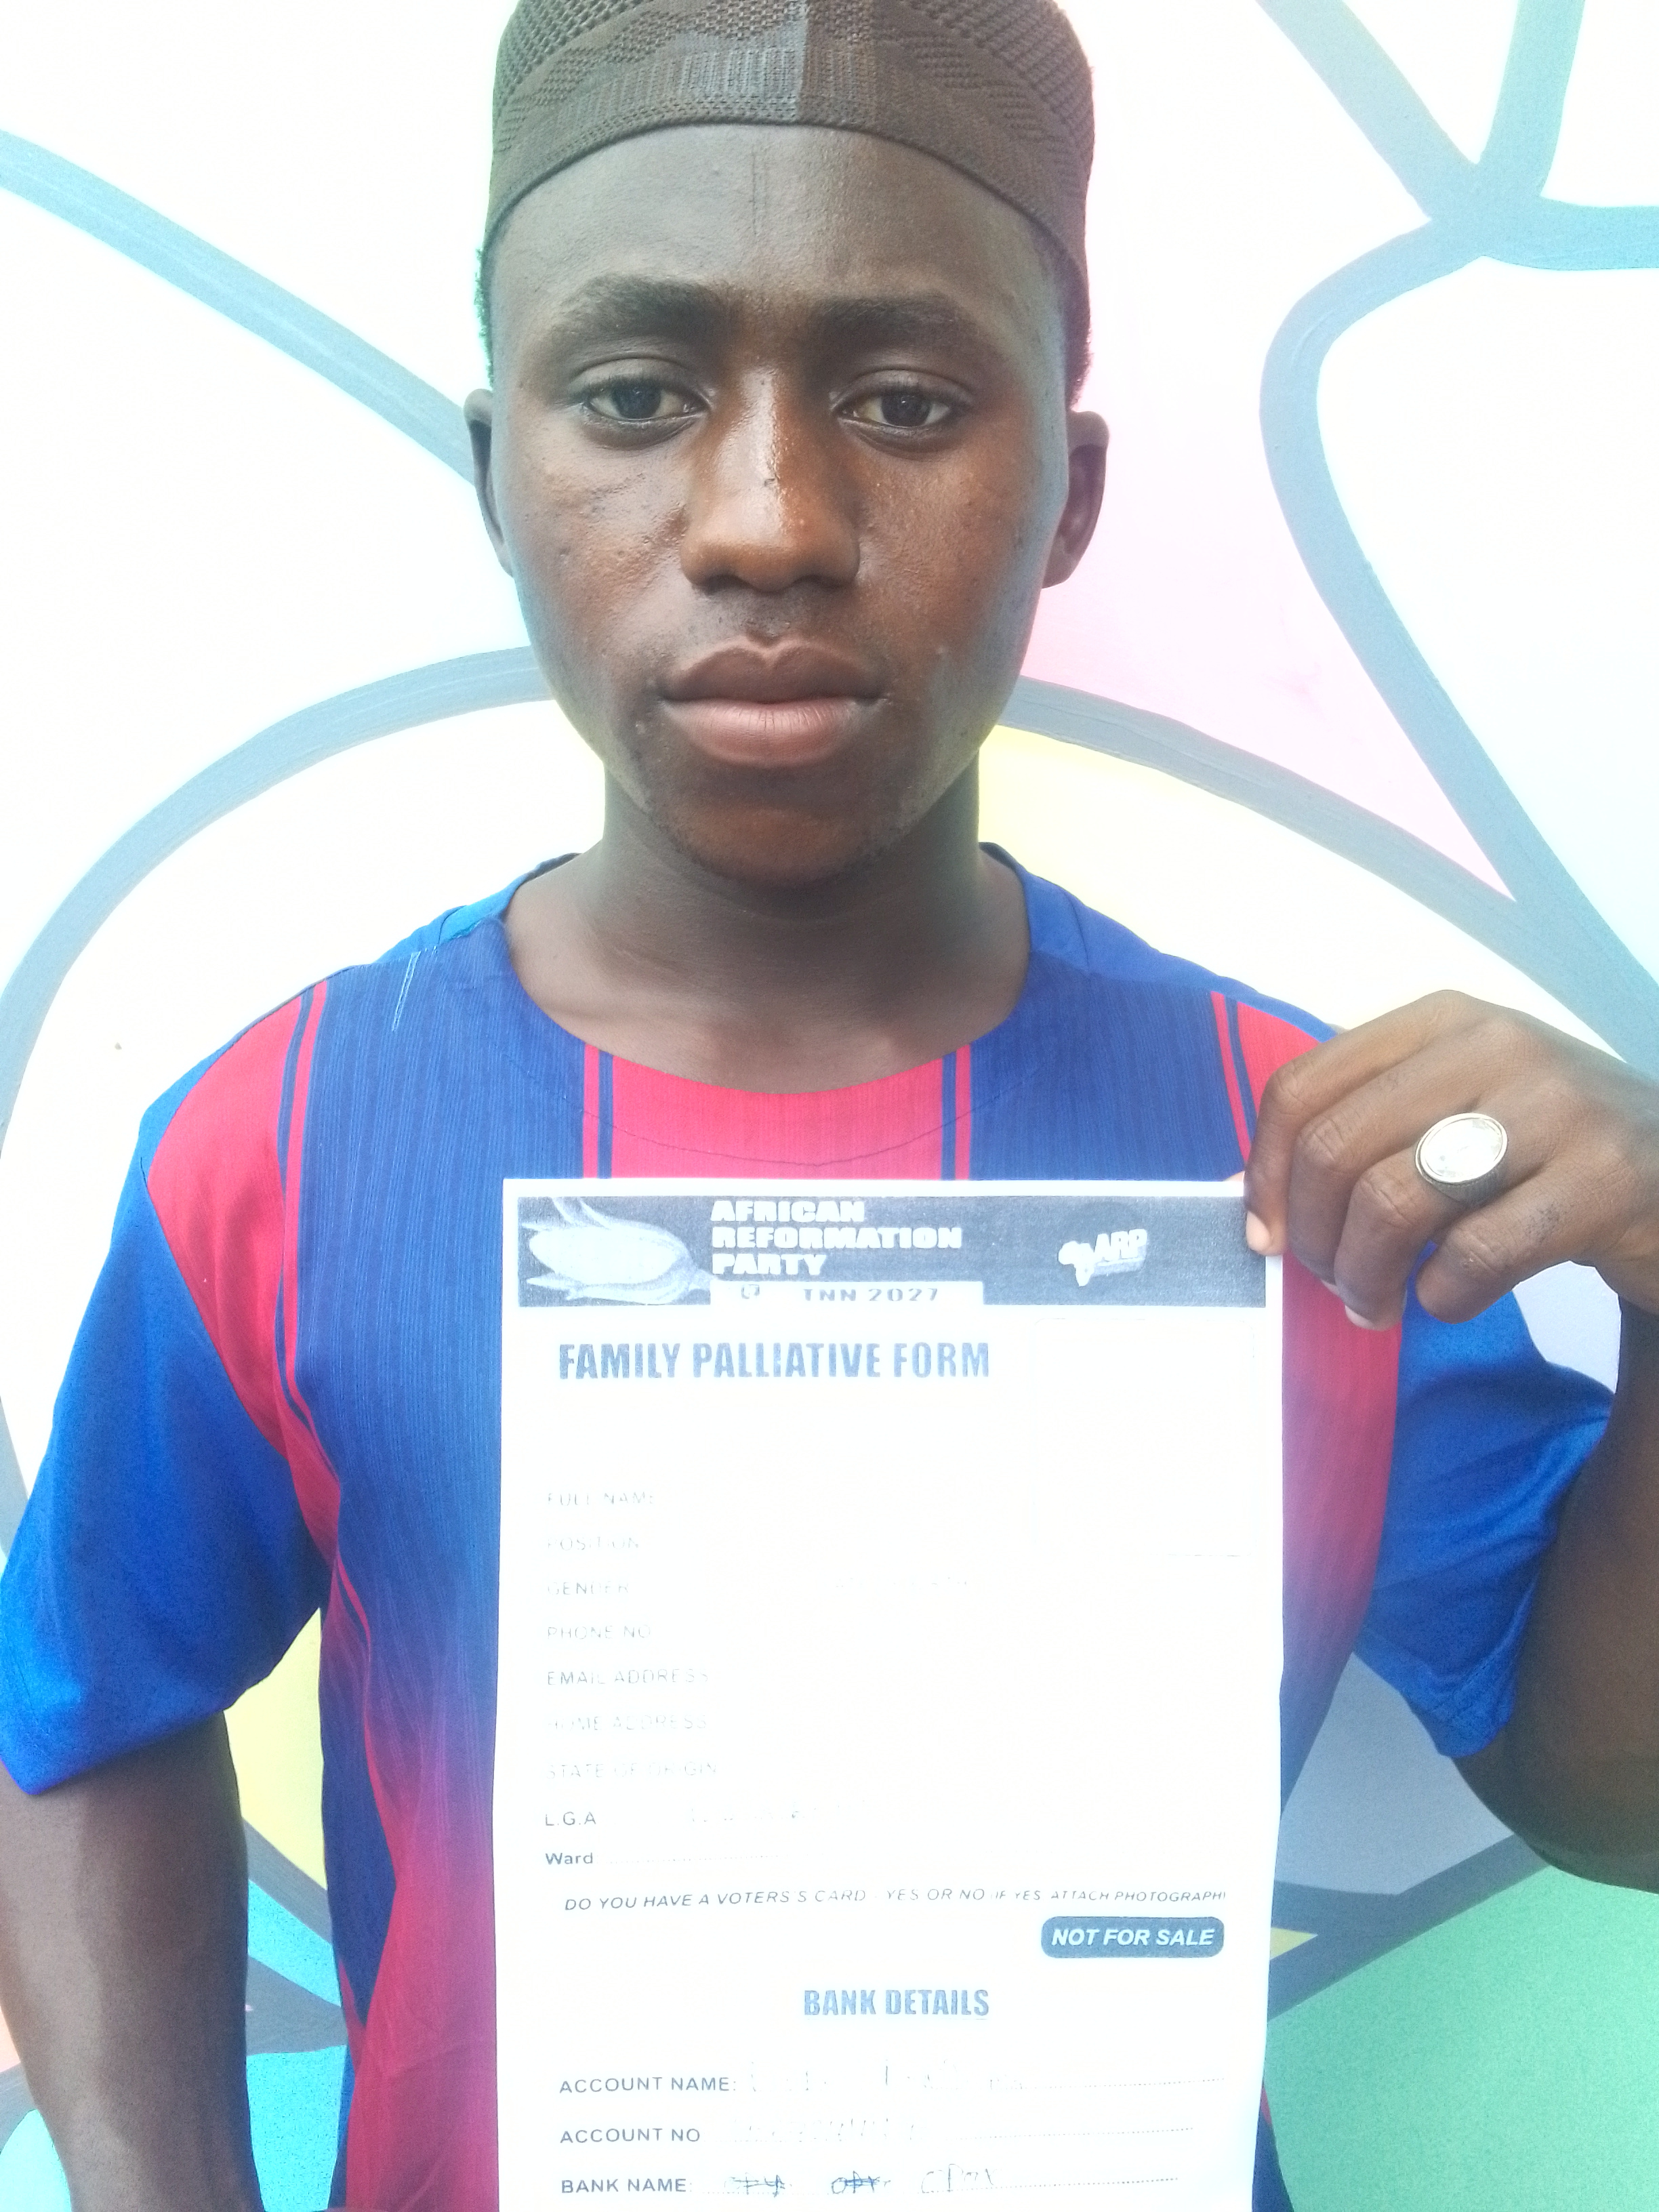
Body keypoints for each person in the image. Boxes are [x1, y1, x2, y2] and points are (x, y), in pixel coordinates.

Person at [1, 1, 1657, 2207]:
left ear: (1068, 496)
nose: (769, 520)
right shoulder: (286, 1143)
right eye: (635, 396)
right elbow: (83, 1710)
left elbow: (1611, 1799)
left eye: (903, 401)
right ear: (495, 471)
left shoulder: (1309, 1151)